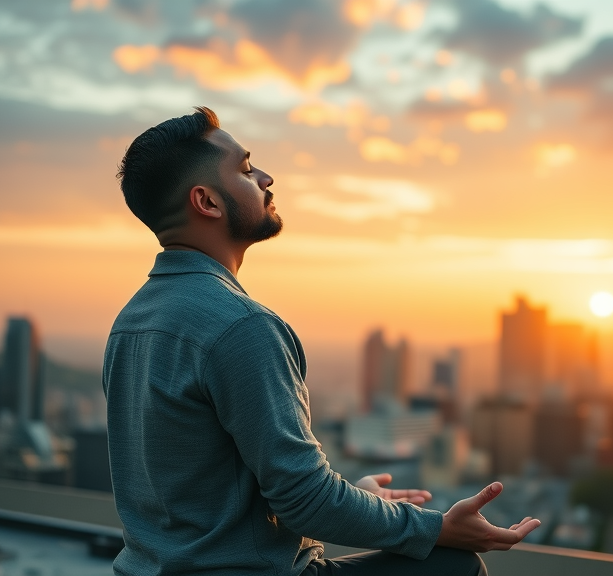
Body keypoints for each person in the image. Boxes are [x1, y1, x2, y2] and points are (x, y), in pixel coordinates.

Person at [104, 106, 540, 576]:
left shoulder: (130, 322)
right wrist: (434, 529)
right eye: (248, 170)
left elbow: (205, 494)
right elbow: (304, 501)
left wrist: (360, 501)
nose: (267, 178)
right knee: (454, 565)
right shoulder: (241, 327)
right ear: (207, 202)